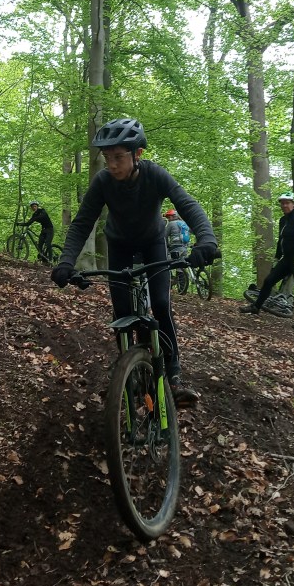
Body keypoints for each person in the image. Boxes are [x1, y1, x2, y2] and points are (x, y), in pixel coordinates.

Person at [50, 118, 219, 407]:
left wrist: (207, 240)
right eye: (107, 158)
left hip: (153, 244)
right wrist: (66, 262)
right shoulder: (103, 181)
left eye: (119, 157)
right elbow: (82, 223)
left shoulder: (155, 175)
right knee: (122, 311)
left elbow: (187, 204)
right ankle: (128, 371)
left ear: (137, 154)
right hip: (119, 246)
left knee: (161, 305)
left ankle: (173, 375)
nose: (112, 165)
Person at [239, 191, 294, 332]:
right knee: (269, 281)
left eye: (287, 203)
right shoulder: (283, 220)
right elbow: (281, 241)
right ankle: (256, 307)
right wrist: (276, 258)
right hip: (286, 259)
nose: (284, 205)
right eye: (282, 203)